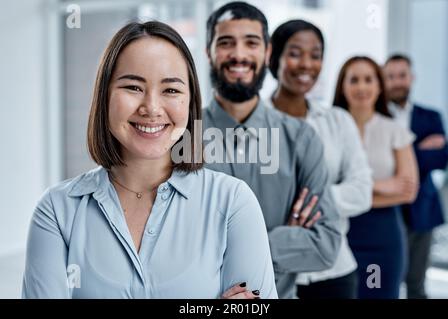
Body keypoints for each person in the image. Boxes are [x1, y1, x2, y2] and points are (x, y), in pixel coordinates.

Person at [22, 21, 277, 299]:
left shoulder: (232, 203)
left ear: (190, 102)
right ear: (104, 95)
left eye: (171, 90)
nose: (152, 108)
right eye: (133, 87)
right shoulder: (57, 211)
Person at [202, 1, 341, 299]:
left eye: (251, 43)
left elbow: (325, 244)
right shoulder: (179, 139)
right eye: (226, 43)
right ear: (208, 52)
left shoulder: (302, 139)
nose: (239, 55)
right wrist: (283, 240)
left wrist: (225, 251)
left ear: (266, 53)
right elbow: (164, 244)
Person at [268, 20, 372, 299]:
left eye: (315, 55)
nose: (306, 64)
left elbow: (362, 191)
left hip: (335, 271)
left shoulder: (338, 121)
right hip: (270, 270)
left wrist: (305, 204)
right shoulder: (251, 125)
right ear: (273, 56)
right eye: (295, 53)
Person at [333, 56, 419, 299]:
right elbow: (322, 187)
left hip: (382, 238)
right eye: (354, 80)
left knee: (376, 293)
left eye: (368, 79)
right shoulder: (329, 129)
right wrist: (383, 186)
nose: (362, 87)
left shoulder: (395, 131)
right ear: (342, 86)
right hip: (340, 236)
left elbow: (407, 190)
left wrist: (348, 194)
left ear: (379, 86)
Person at [384, 54, 448, 299]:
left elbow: (441, 159)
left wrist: (399, 155)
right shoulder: (377, 118)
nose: (397, 82)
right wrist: (418, 150)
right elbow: (378, 164)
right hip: (386, 210)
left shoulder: (430, 117)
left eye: (402, 75)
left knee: (417, 285)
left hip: (423, 210)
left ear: (411, 78)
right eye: (391, 76)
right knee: (382, 282)